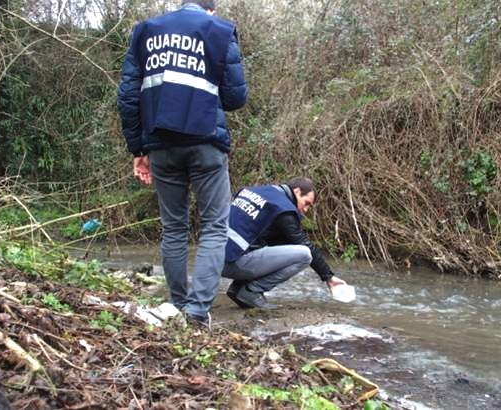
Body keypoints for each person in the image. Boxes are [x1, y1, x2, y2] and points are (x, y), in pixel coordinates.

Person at [117, 0, 247, 328]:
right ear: (211, 10)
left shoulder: (145, 32)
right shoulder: (220, 31)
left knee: (174, 227)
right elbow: (235, 98)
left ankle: (176, 304)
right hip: (206, 142)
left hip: (159, 144)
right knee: (215, 226)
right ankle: (197, 313)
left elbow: (128, 97)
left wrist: (138, 148)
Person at [223, 178, 348, 309]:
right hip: (230, 264)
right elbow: (304, 245)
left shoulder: (254, 192)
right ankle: (251, 291)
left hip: (211, 257)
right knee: (304, 255)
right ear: (297, 191)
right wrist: (329, 277)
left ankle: (238, 288)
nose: (306, 209)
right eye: (306, 203)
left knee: (274, 246)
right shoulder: (283, 209)